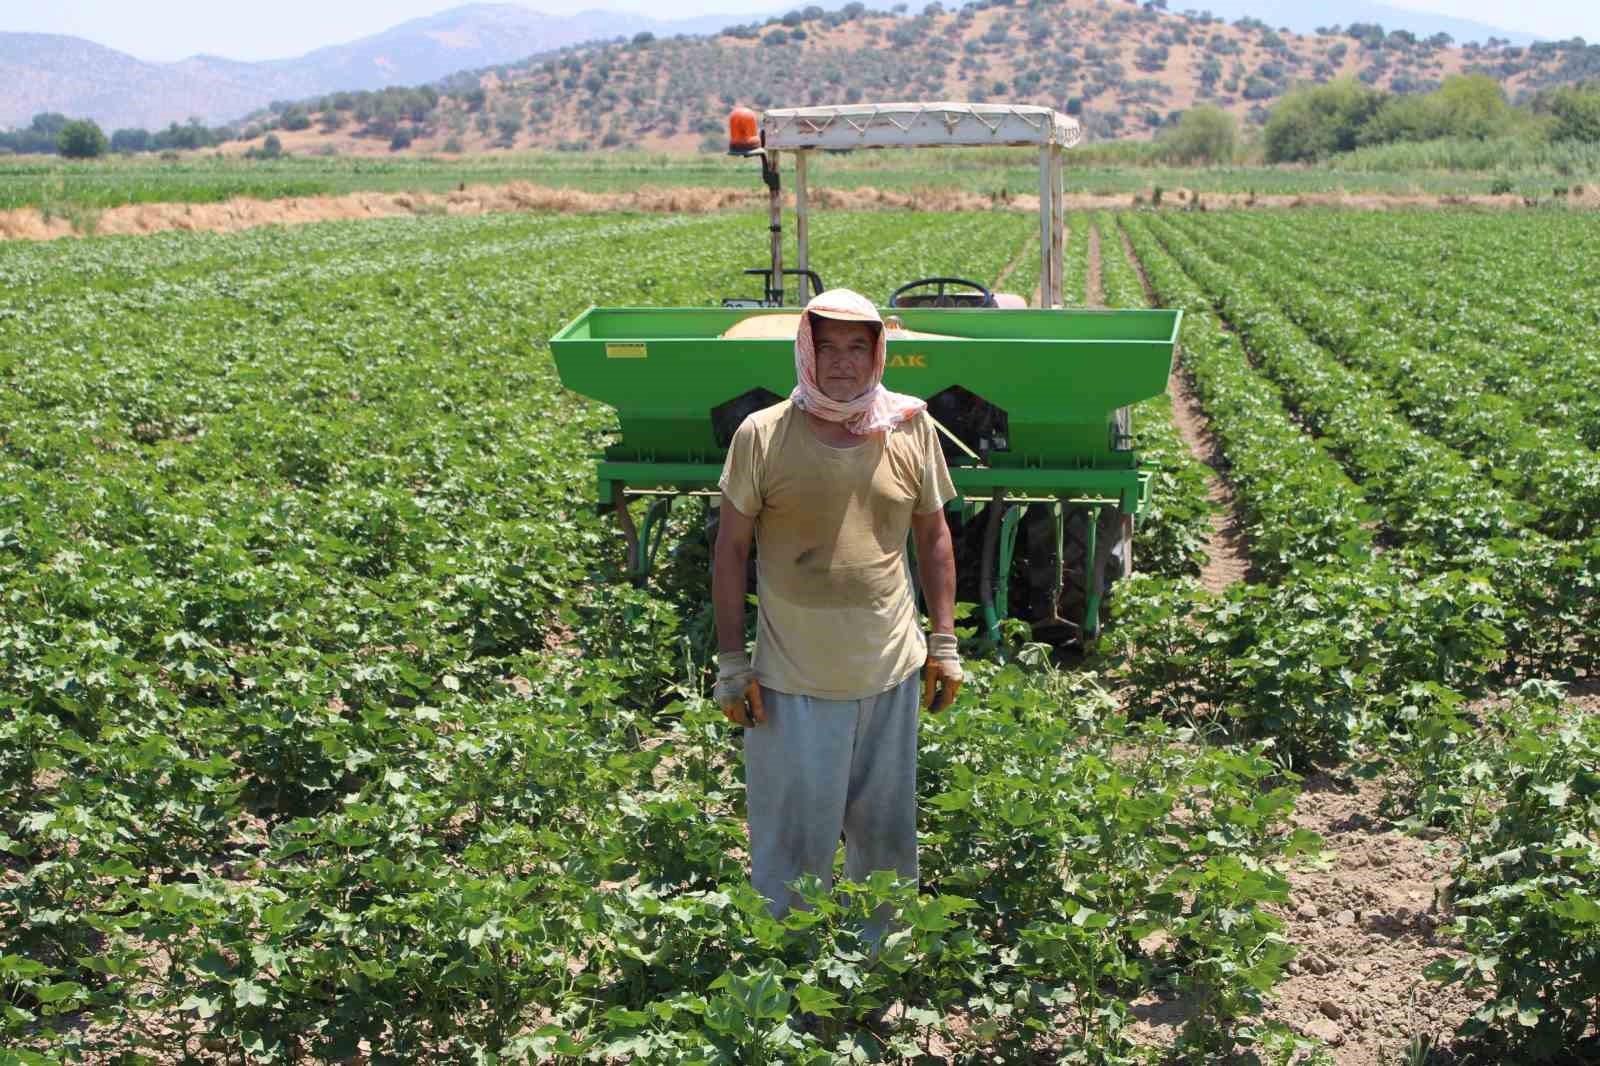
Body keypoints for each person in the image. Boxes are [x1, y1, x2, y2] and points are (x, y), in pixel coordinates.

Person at [711, 287, 963, 929]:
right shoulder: (762, 435)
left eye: (858, 347)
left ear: (878, 353)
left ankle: (875, 970)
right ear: (806, 353)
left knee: (885, 840)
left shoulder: (909, 427)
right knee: (791, 844)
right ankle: (787, 986)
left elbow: (933, 536)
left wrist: (943, 642)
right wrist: (733, 665)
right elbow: (731, 551)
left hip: (890, 673)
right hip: (792, 680)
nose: (844, 363)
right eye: (829, 349)